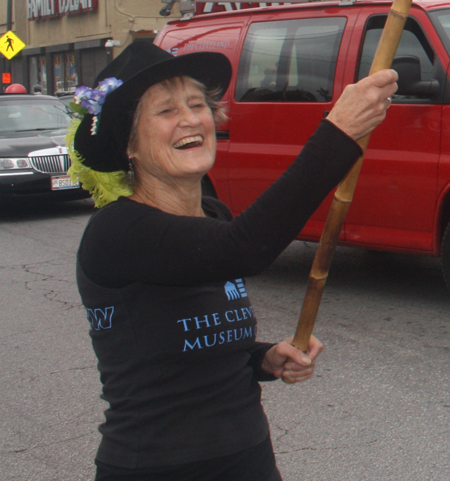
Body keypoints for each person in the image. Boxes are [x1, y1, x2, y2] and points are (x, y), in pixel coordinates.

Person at [67, 40, 397, 481]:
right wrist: (338, 130)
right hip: (157, 467)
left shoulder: (214, 217)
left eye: (197, 104)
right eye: (165, 111)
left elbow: (188, 347)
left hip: (248, 458)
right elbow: (249, 247)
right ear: (130, 145)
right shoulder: (117, 233)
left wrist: (262, 359)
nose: (189, 119)